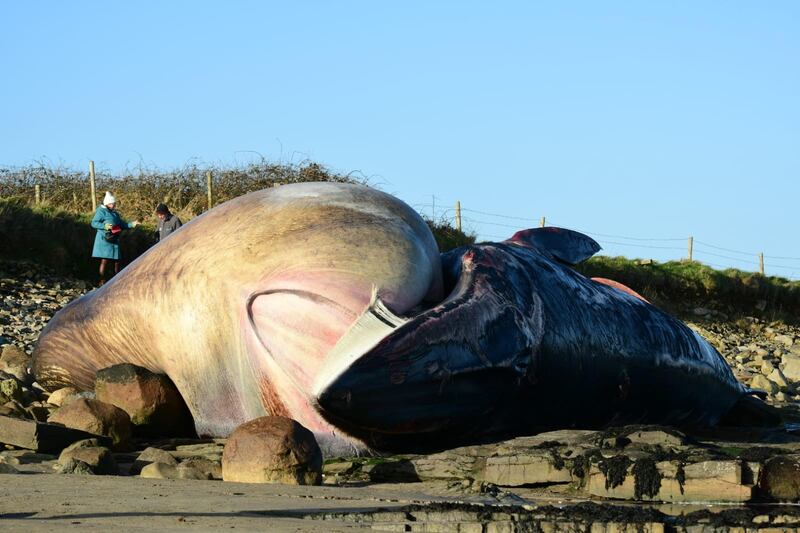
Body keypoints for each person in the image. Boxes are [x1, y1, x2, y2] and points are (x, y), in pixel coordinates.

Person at [90, 191, 140, 285]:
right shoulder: (101, 211)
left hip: (114, 239)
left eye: (114, 203)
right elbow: (94, 223)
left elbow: (122, 224)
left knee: (117, 261)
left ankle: (116, 282)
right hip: (104, 239)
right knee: (104, 261)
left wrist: (132, 224)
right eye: (113, 203)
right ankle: (102, 281)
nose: (114, 205)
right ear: (107, 203)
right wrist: (104, 226)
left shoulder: (115, 214)